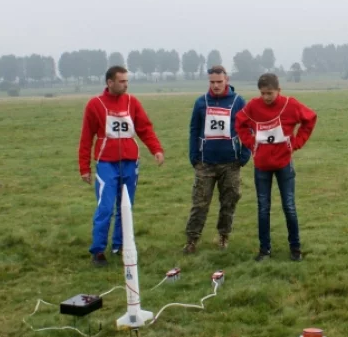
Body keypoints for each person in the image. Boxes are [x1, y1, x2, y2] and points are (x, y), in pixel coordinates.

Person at [78, 66, 164, 267]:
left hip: (130, 162)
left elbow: (144, 128)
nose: (126, 84)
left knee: (126, 206)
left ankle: (120, 245)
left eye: (127, 81)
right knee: (105, 207)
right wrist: (84, 167)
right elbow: (85, 137)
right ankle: (98, 250)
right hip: (106, 163)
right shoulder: (95, 104)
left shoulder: (132, 102)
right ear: (110, 82)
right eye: (122, 81)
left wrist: (156, 150)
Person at [236, 73, 317, 262]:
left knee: (289, 206)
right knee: (263, 207)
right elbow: (239, 123)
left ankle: (295, 248)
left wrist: (296, 143)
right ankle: (264, 250)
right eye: (263, 93)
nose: (266, 97)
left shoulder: (291, 104)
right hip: (261, 166)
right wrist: (251, 143)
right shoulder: (253, 106)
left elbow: (310, 119)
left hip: (284, 164)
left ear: (279, 90)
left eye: (270, 93)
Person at [183, 65, 251, 254]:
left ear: (226, 80)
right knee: (199, 203)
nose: (215, 85)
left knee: (229, 201)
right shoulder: (201, 103)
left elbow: (247, 129)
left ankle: (223, 236)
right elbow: (194, 130)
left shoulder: (238, 102)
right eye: (212, 82)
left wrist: (244, 155)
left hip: (231, 163)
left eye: (219, 82)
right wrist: (194, 157)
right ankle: (192, 239)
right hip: (205, 164)